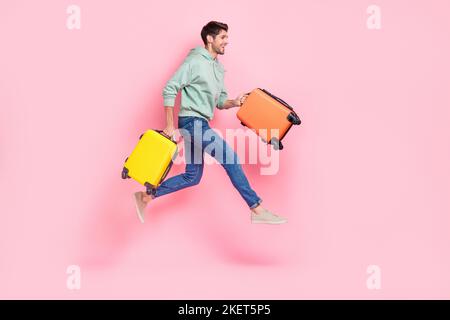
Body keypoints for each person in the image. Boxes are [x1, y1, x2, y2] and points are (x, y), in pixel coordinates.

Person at [133, 21, 287, 225]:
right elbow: (169, 88)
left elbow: (220, 102)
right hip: (192, 122)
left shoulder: (218, 69)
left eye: (227, 37)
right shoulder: (195, 61)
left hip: (200, 123)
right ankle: (256, 208)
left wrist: (235, 102)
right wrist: (170, 125)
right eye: (223, 37)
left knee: (192, 177)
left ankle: (146, 197)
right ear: (210, 39)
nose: (227, 41)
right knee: (230, 158)